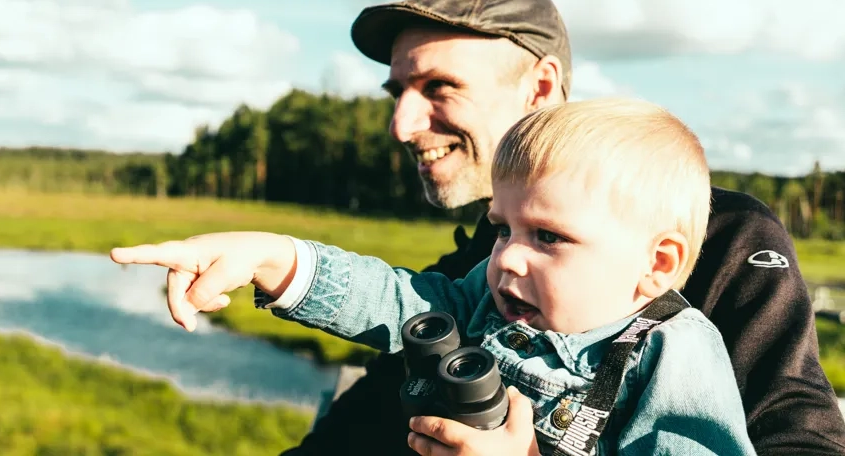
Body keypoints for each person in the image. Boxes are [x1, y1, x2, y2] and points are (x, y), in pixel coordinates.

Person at [249, 0, 842, 456]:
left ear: (539, 87)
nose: (400, 125)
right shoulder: (478, 268)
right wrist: (278, 261)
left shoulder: (723, 235)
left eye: (439, 86)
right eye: (397, 93)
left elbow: (798, 436)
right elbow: (358, 427)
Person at [111, 97, 760, 455]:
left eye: (549, 237)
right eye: (502, 227)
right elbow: (398, 301)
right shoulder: (489, 295)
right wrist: (276, 257)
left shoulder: (672, 353)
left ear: (659, 263)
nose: (506, 256)